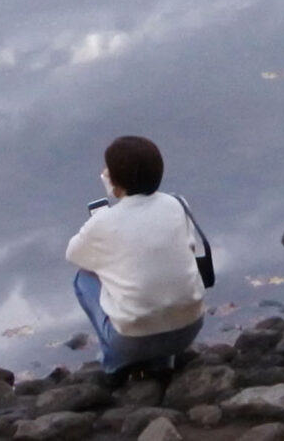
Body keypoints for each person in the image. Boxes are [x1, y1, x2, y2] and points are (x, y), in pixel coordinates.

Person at [64, 134, 209, 381]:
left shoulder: (103, 222)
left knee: (83, 279)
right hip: (189, 327)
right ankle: (164, 362)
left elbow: (74, 255)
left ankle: (114, 365)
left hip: (133, 341)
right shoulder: (177, 204)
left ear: (114, 182)